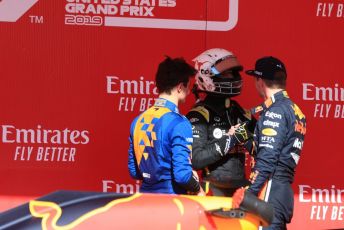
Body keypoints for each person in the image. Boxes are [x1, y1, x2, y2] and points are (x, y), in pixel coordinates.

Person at [242, 56, 307, 229]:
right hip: (282, 190)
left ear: (260, 81)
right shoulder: (294, 109)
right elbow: (270, 151)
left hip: (270, 190)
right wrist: (244, 137)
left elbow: (268, 159)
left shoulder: (275, 111)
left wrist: (248, 194)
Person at [128, 56, 203, 195]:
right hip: (172, 202)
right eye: (188, 87)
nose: (188, 92)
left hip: (144, 200)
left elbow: (134, 171)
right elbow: (182, 176)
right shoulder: (179, 123)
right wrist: (198, 188)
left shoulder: (138, 120)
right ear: (180, 87)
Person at [186, 48, 256, 197]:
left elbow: (263, 150)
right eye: (225, 74)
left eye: (233, 73)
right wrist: (230, 139)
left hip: (241, 191)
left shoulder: (239, 111)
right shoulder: (199, 115)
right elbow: (196, 160)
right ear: (207, 77)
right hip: (213, 190)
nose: (232, 78)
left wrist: (248, 139)